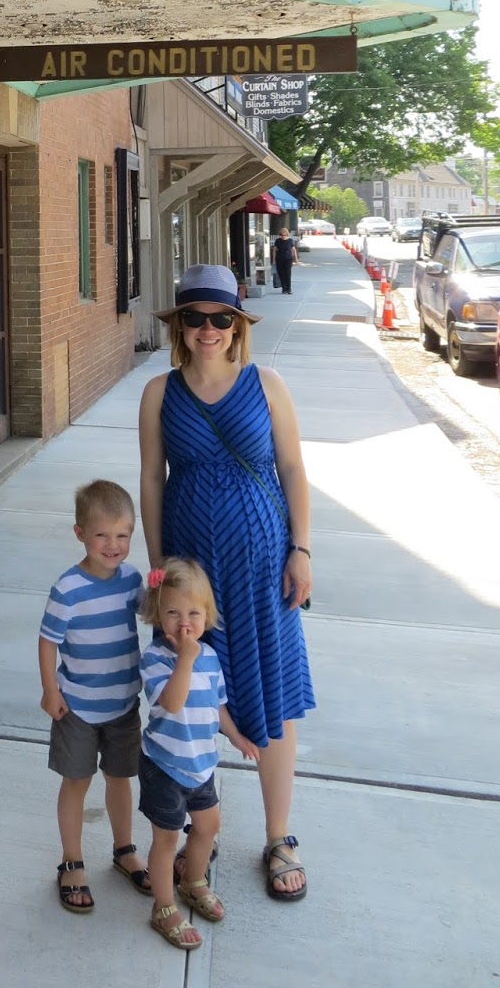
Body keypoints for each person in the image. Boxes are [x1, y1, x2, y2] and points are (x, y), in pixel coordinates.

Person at [138, 264, 314, 901]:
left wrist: (301, 549)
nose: (207, 330)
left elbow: (293, 468)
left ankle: (278, 837)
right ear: (178, 326)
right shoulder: (159, 392)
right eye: (194, 317)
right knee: (190, 698)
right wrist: (157, 571)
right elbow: (151, 481)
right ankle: (196, 835)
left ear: (237, 325)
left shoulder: (266, 385)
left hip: (263, 564)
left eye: (221, 319)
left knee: (269, 690)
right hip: (191, 576)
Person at [38, 479, 149, 912]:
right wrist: (51, 689)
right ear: (80, 533)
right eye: (102, 534)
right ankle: (72, 862)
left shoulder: (132, 580)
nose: (113, 544)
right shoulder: (68, 589)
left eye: (122, 535)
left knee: (121, 778)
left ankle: (124, 851)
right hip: (77, 706)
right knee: (77, 781)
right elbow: (48, 641)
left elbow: (150, 611)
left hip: (123, 704)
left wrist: (164, 586)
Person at [139, 558, 259, 951]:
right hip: (165, 765)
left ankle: (193, 882)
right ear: (157, 615)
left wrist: (237, 735)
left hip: (201, 763)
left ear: (208, 617)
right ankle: (163, 906)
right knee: (167, 838)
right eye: (173, 612)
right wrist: (184, 660)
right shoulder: (156, 659)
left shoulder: (209, 657)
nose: (184, 622)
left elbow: (216, 705)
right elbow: (172, 703)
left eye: (194, 612)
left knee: (208, 827)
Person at [271, 225, 299, 294]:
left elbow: (294, 250)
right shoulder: (278, 241)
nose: (283, 236)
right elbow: (274, 250)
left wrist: (296, 259)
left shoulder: (290, 241)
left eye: (284, 235)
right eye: (282, 235)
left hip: (288, 259)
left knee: (288, 273)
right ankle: (284, 288)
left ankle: (289, 288)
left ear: (287, 234)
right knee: (281, 274)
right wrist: (274, 260)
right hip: (279, 259)